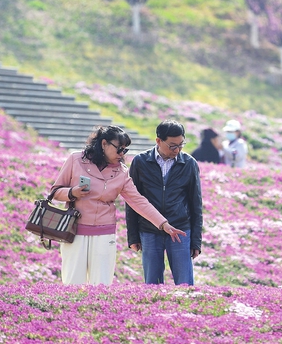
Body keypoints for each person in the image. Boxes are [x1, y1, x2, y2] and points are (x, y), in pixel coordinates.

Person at [49, 125, 185, 286]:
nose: (122, 154)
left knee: (102, 286)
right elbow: (55, 192)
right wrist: (72, 193)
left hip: (104, 234)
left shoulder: (121, 172)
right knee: (72, 283)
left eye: (125, 150)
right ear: (104, 144)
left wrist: (163, 224)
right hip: (74, 231)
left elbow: (138, 201)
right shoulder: (75, 159)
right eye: (119, 149)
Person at [126, 120, 204, 286]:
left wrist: (196, 240)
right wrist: (133, 236)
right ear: (158, 141)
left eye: (181, 145)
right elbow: (133, 201)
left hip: (180, 230)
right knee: (152, 284)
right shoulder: (140, 162)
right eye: (172, 146)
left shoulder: (189, 163)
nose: (177, 150)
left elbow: (195, 204)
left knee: (185, 285)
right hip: (148, 230)